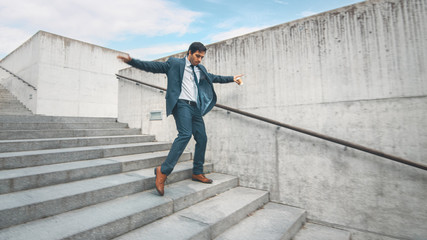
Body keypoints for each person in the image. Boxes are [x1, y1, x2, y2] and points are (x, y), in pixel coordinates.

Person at [117, 42, 243, 196]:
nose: (199, 60)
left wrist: (232, 78)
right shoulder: (175, 63)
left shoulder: (200, 69)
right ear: (189, 52)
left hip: (195, 107)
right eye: (197, 56)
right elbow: (153, 67)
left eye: (202, 57)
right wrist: (132, 61)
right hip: (181, 104)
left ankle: (197, 171)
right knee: (185, 134)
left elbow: (213, 77)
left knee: (202, 138)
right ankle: (163, 171)